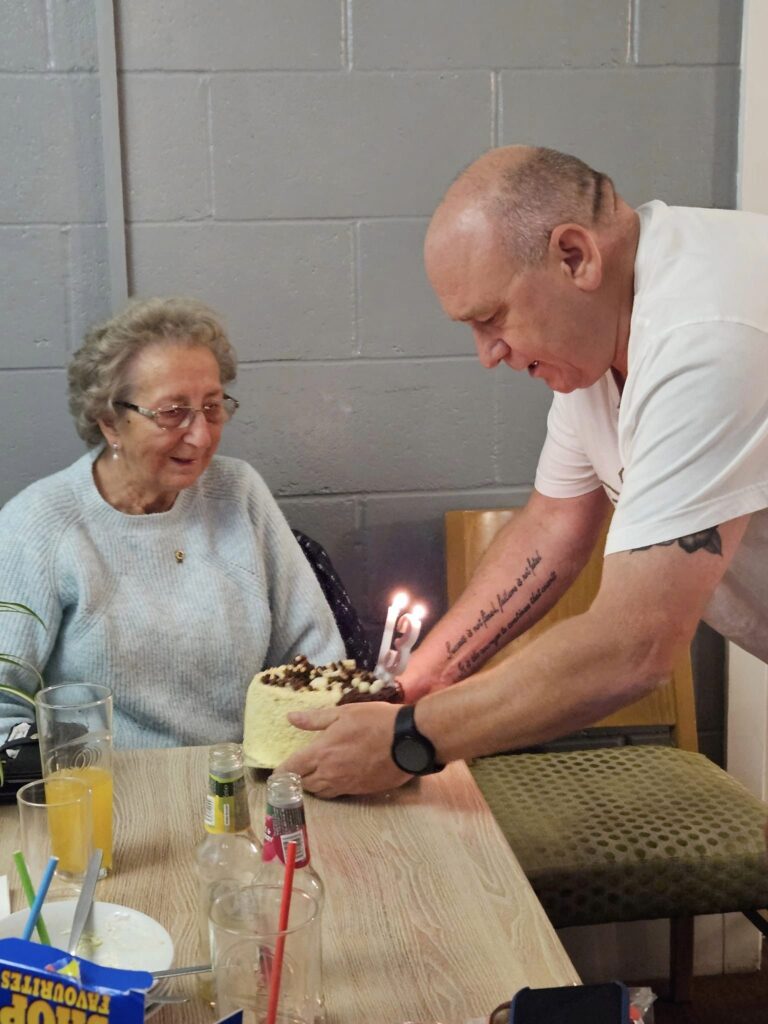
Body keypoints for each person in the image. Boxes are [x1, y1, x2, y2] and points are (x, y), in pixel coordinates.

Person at [282, 144, 768, 797]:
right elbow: (552, 527)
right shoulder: (599, 334)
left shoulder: (704, 336)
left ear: (575, 256)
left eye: (492, 319)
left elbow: (634, 647)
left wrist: (409, 739)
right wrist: (411, 683)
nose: (488, 354)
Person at [0, 296, 344, 748]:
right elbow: (4, 703)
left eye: (212, 407)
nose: (201, 436)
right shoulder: (40, 524)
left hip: (242, 777)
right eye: (172, 412)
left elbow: (315, 659)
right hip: (105, 792)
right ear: (110, 423)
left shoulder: (238, 493)